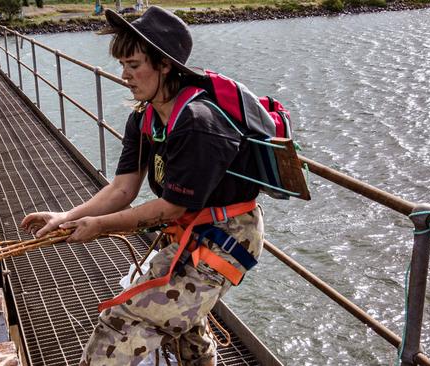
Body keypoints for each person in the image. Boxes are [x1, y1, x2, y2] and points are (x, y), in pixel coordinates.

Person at [21, 6, 265, 365]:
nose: (124, 76)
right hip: (189, 230)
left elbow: (170, 208)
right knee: (182, 325)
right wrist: (67, 217)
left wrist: (100, 226)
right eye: (122, 65)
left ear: (165, 64)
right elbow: (123, 189)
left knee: (122, 320)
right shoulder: (145, 117)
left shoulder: (198, 124)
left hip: (227, 235)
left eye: (134, 65)